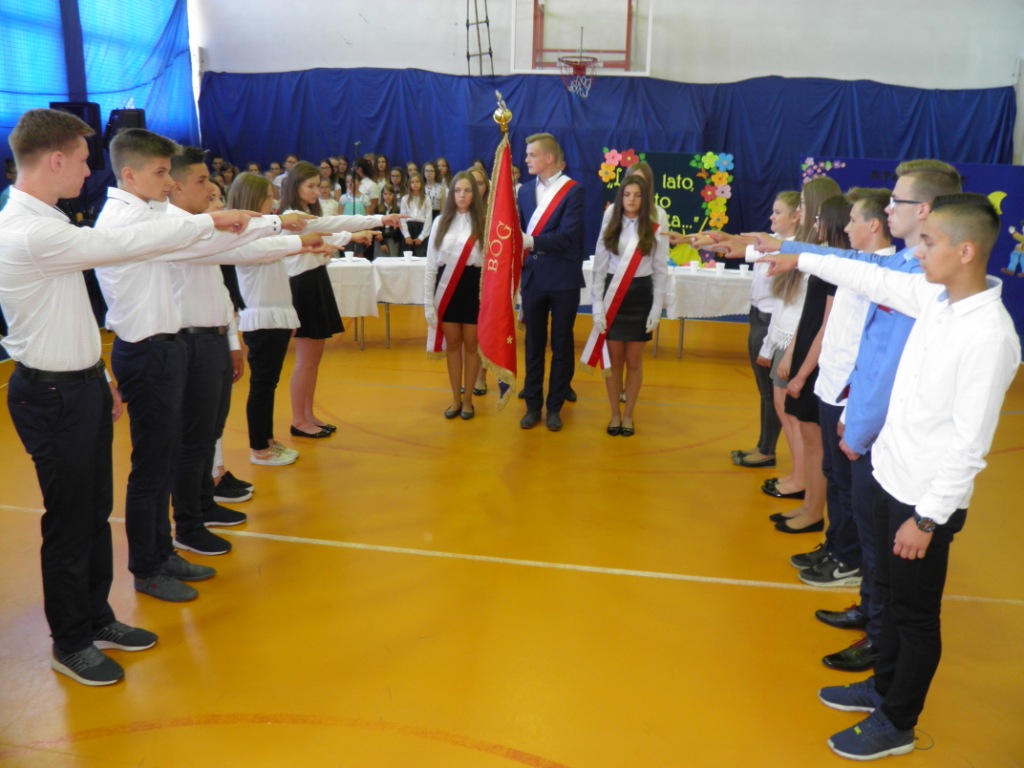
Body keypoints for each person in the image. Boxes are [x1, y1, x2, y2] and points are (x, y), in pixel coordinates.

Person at [761, 194, 1020, 761]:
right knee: (888, 599)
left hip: (922, 504)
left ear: (966, 251)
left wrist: (927, 520)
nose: (917, 252)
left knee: (914, 617)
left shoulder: (989, 335)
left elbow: (969, 446)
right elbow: (867, 276)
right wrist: (796, 255)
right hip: (888, 478)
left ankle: (898, 721)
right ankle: (881, 687)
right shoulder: (935, 299)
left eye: (929, 242)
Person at [0, 108, 253, 685]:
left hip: (80, 383)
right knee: (70, 524)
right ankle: (71, 640)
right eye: (82, 160)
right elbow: (123, 243)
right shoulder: (29, 230)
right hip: (52, 394)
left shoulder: (48, 220)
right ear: (55, 160)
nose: (89, 171)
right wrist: (210, 223)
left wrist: (100, 375)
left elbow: (70, 315)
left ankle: (96, 617)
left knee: (93, 513)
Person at [754, 161, 962, 677]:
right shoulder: (906, 266)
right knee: (871, 537)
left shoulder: (924, 283)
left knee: (886, 554)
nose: (889, 209)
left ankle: (881, 649)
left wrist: (860, 421)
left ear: (925, 210)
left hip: (889, 440)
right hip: (868, 424)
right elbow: (852, 266)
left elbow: (888, 362)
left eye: (897, 201)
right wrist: (788, 248)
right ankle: (872, 617)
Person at [95, 129, 308, 602]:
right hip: (146, 350)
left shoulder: (151, 216)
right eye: (161, 172)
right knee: (152, 467)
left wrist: (267, 229)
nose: (169, 182)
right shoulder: (125, 220)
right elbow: (195, 239)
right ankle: (148, 565)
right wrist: (251, 223)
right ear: (129, 174)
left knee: (171, 454)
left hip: (166, 347)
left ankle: (163, 550)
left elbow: (205, 241)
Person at [279, 161, 399, 437]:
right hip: (302, 285)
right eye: (310, 186)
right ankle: (298, 420)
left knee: (314, 358)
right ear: (295, 187)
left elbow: (327, 228)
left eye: (318, 186)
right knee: (306, 359)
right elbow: (333, 224)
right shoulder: (292, 216)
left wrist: (357, 232)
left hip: (315, 279)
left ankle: (308, 414)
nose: (315, 191)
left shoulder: (306, 214)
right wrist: (377, 220)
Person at [586, 175, 668, 436]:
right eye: (627, 194)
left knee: (634, 361)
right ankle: (614, 413)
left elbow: (660, 270)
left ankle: (629, 414)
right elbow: (599, 269)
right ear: (621, 197)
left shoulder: (653, 226)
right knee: (614, 360)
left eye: (638, 195)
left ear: (645, 199)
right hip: (613, 295)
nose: (632, 199)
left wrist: (656, 309)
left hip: (640, 296)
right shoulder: (610, 221)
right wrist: (597, 307)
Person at [726, 191, 801, 468]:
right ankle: (763, 445)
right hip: (758, 317)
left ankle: (767, 450)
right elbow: (745, 243)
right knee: (765, 390)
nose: (772, 217)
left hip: (772, 323)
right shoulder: (774, 242)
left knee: (771, 392)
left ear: (796, 216)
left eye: (778, 212)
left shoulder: (793, 250)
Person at [517, 133, 585, 432]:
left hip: (563, 279)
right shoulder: (523, 191)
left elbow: (568, 236)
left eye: (532, 155)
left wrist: (531, 241)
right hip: (533, 276)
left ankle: (555, 405)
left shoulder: (573, 191)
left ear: (549, 158)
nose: (526, 160)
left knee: (561, 343)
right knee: (533, 343)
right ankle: (533, 405)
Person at [423, 172, 486, 419]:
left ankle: (468, 400)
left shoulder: (484, 221)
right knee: (453, 345)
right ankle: (455, 399)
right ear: (451, 193)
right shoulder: (440, 222)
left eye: (467, 190)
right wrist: (428, 303)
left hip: (473, 288)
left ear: (475, 194)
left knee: (471, 344)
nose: (462, 195)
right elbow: (431, 265)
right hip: (446, 288)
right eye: (457, 190)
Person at [400, 172, 433, 256]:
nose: (415, 184)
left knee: (421, 256)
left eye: (417, 181)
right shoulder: (405, 199)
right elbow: (402, 218)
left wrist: (421, 237)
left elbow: (428, 219)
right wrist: (406, 235)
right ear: (409, 184)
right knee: (407, 256)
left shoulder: (426, 199)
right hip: (408, 228)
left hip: (421, 229)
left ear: (421, 183)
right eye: (412, 182)